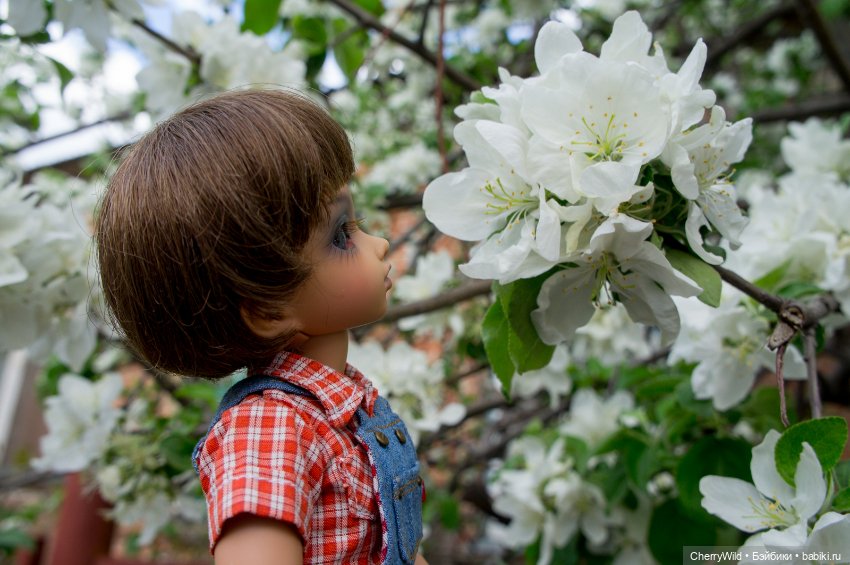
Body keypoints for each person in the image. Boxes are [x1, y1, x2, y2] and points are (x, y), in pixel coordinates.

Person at [95, 88, 428, 565]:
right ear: (267, 311)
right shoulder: (270, 429)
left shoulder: (342, 408)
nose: (379, 243)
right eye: (341, 235)